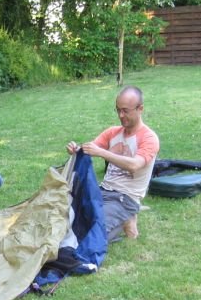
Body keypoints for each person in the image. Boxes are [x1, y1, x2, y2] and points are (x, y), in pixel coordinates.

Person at [67, 86, 159, 241]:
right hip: (103, 191)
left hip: (126, 197)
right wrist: (77, 150)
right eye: (118, 110)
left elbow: (134, 165)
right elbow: (91, 148)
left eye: (125, 111)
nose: (121, 115)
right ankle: (125, 218)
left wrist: (102, 152)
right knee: (69, 216)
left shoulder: (149, 138)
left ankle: (127, 217)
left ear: (140, 109)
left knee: (91, 235)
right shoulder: (113, 132)